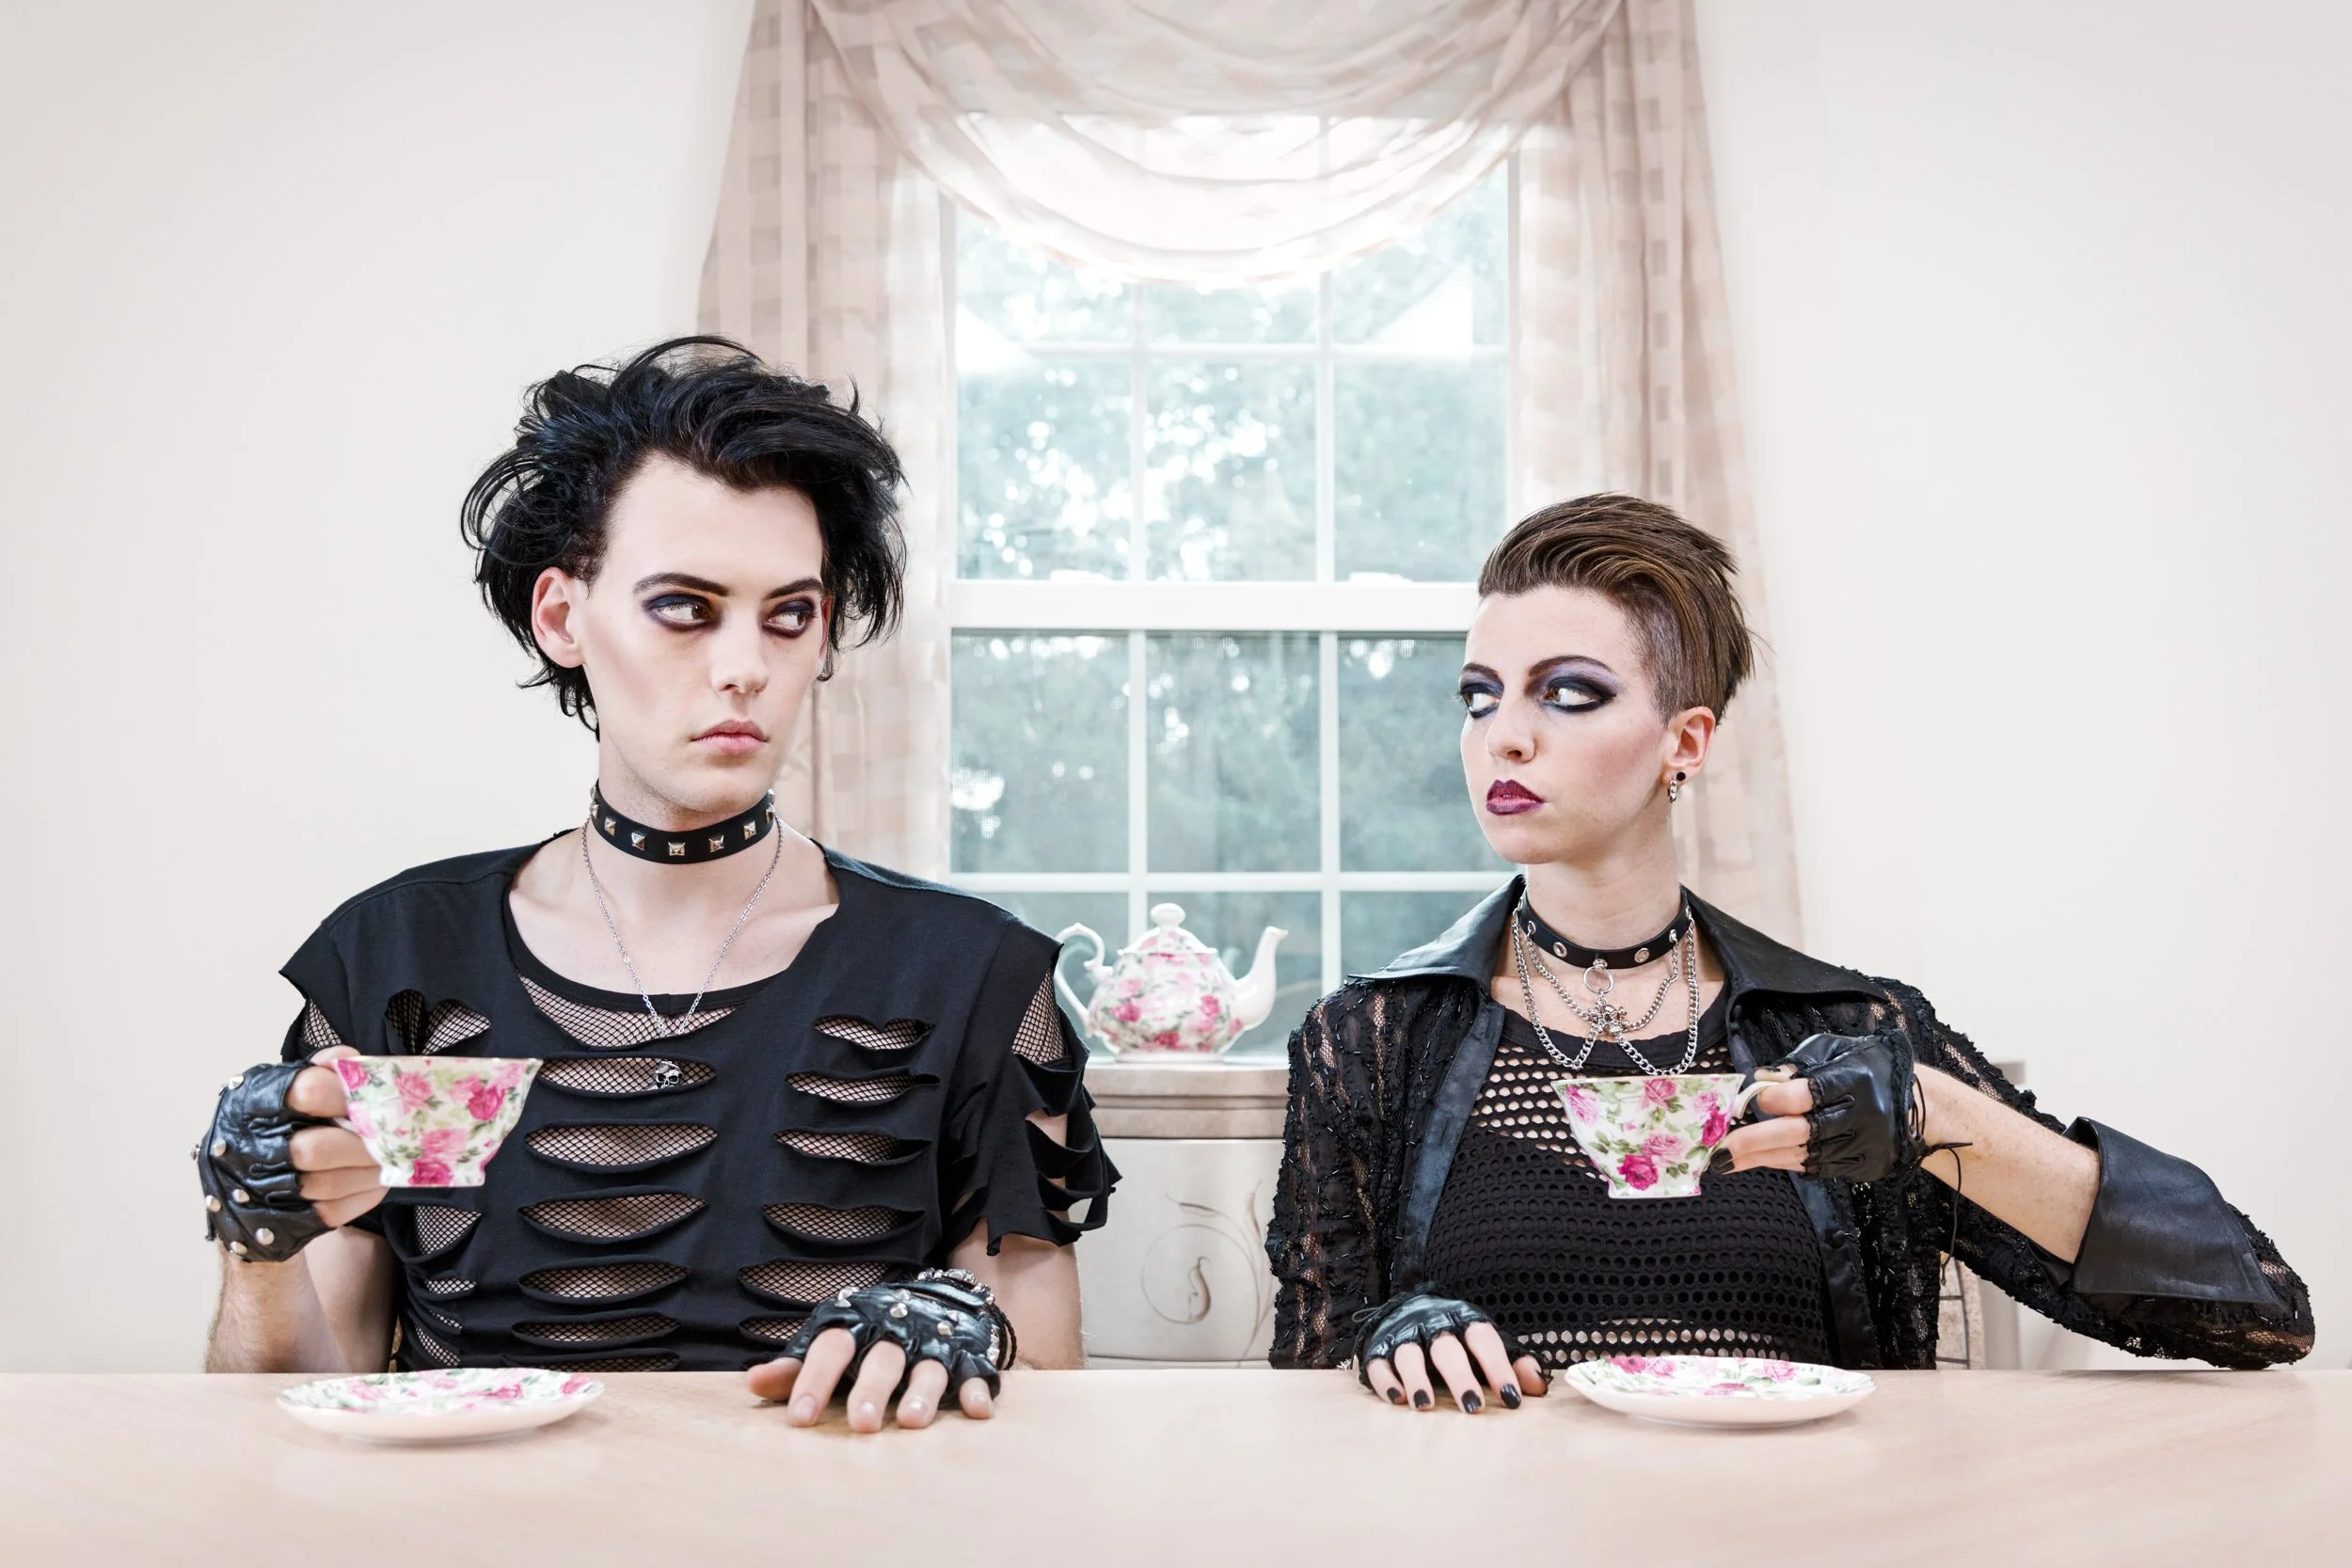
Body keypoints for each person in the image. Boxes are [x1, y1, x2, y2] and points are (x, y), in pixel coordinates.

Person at [198, 338, 1115, 1432]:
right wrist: (257, 1244)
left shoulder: (971, 972)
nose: (745, 666)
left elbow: (1047, 1385)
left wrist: (965, 1320)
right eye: (685, 606)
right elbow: (301, 1415)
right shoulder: (398, 960)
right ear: (562, 616)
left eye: (790, 614)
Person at [1264, 494, 2311, 1409]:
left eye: (1567, 691)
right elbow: (1310, 1386)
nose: (1502, 734)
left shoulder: (1849, 1034)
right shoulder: (1371, 1038)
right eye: (1479, 693)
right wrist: (1382, 1337)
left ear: (1686, 739)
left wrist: (1927, 1112)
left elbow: (2257, 1313)